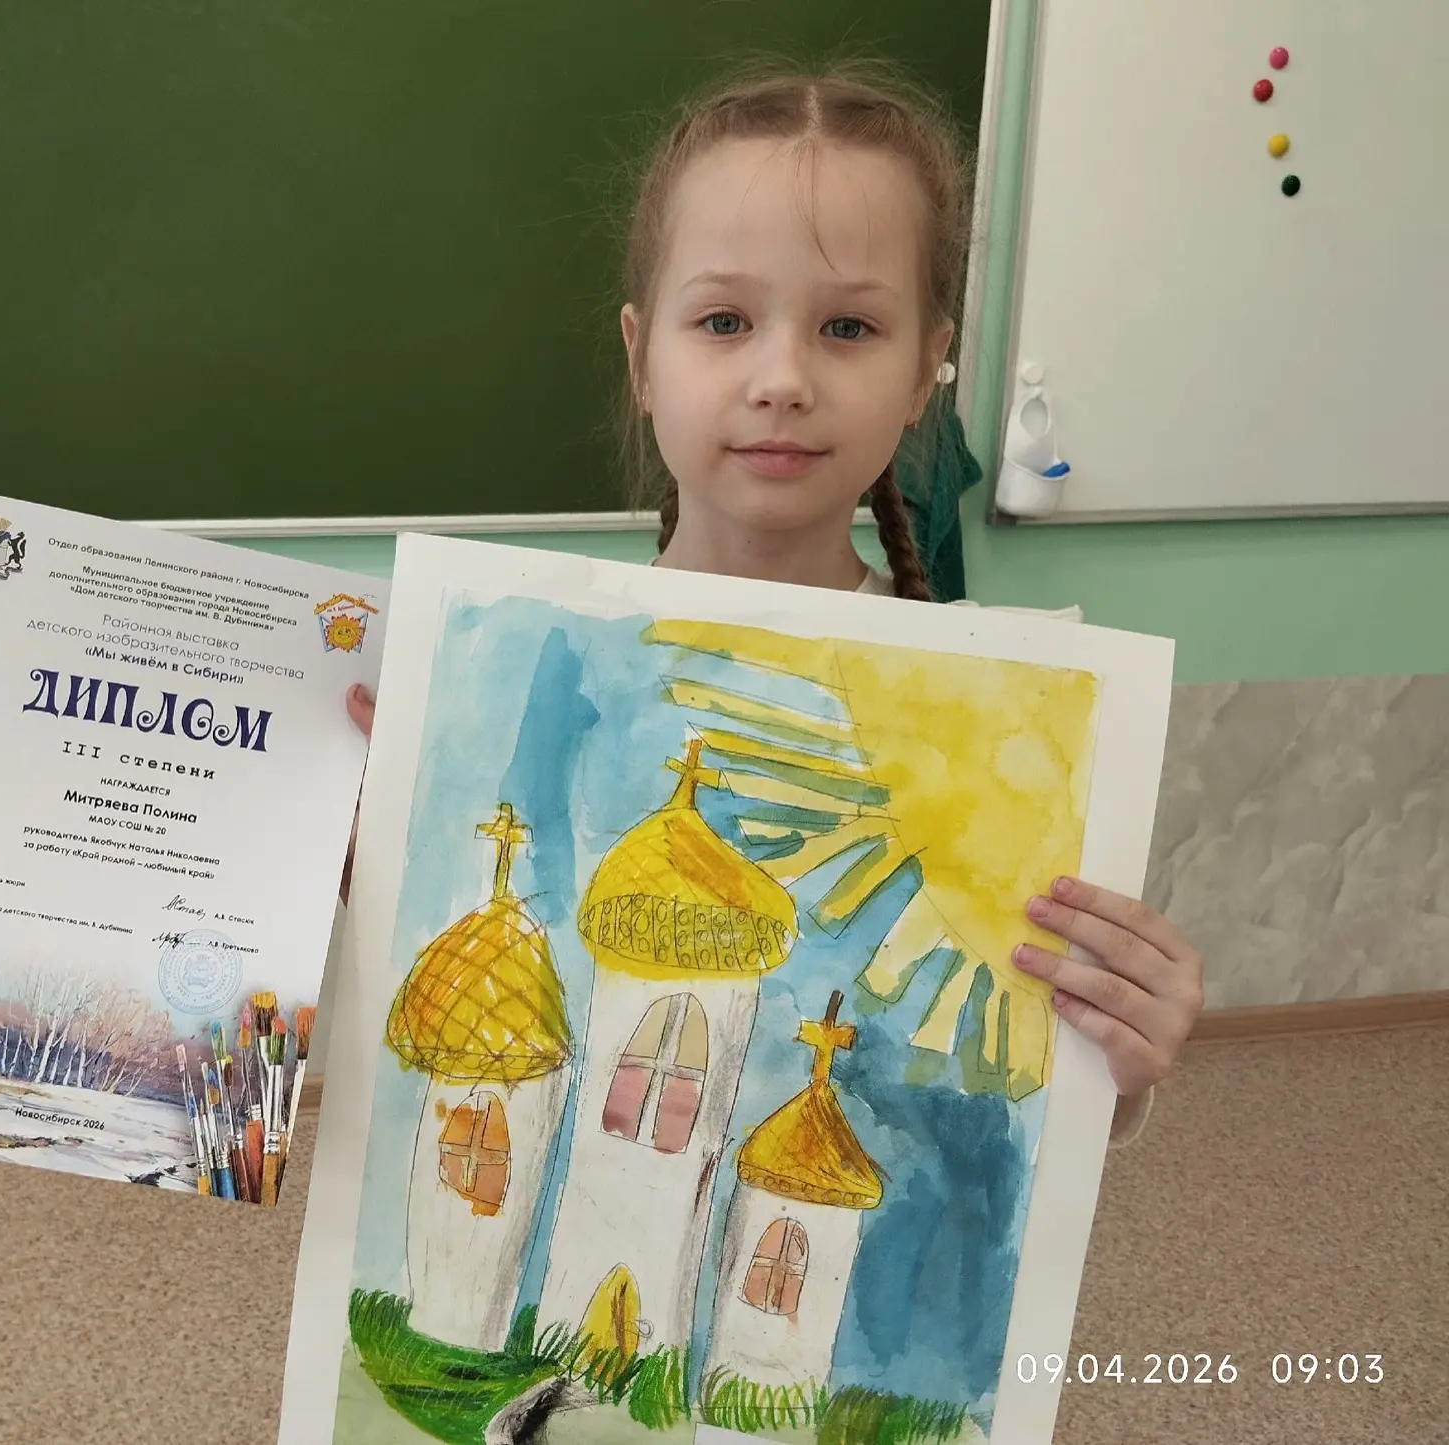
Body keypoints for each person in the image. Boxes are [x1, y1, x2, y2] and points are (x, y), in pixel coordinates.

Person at [342, 62, 1202, 1146]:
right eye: (723, 320)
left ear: (927, 367)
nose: (783, 377)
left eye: (848, 328)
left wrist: (1115, 1060)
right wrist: (365, 861)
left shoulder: (1000, 742)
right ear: (640, 356)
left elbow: (1006, 1099)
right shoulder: (503, 688)